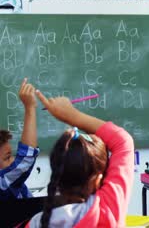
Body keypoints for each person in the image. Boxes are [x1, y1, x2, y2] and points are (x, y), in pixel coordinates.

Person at [27, 91, 134, 227]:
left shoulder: (35, 223)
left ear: (57, 176)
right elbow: (122, 141)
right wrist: (71, 115)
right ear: (97, 180)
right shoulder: (106, 213)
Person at [0, 78, 39, 199]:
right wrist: (30, 108)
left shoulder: (17, 185)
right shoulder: (3, 185)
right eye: (7, 157)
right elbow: (24, 161)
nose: (13, 161)